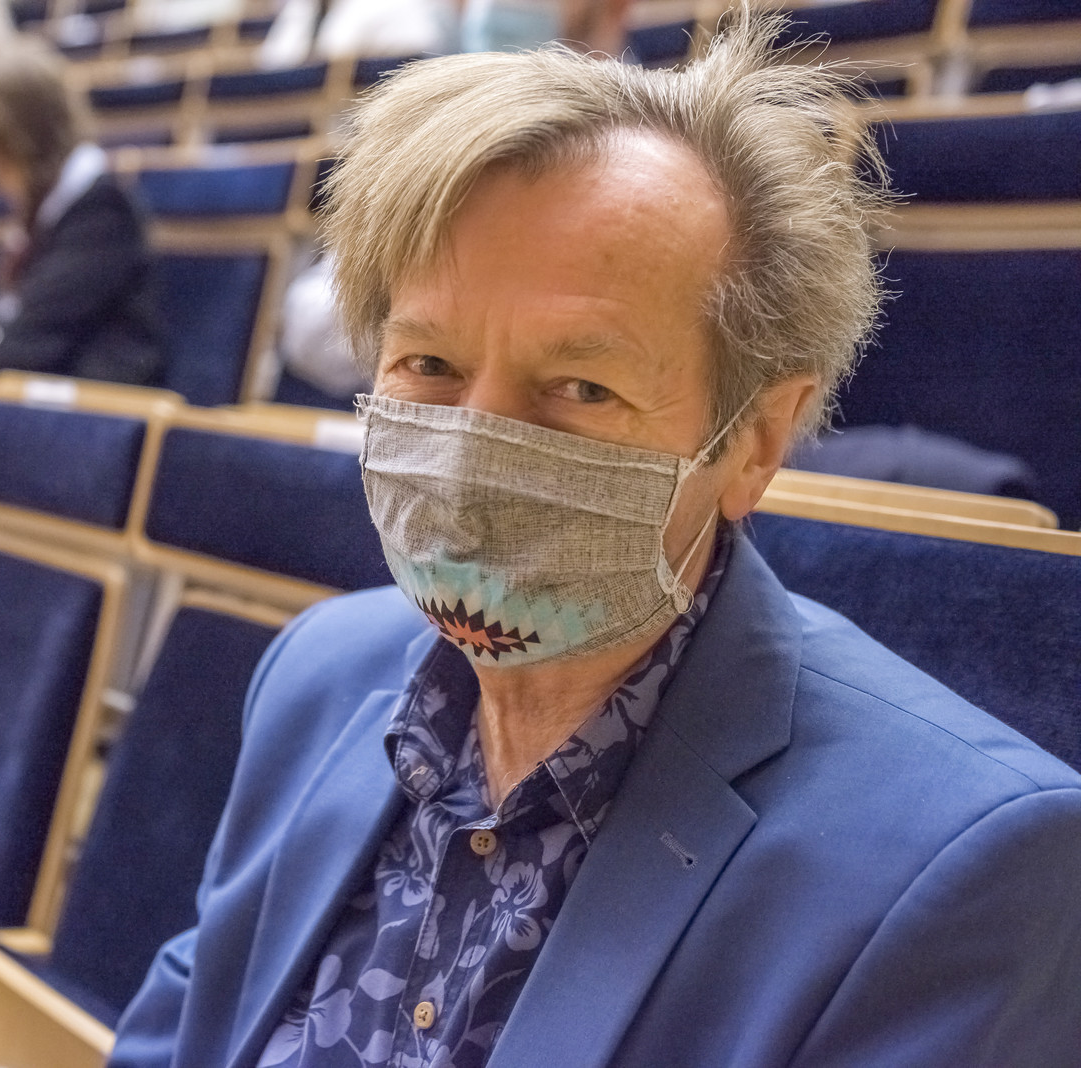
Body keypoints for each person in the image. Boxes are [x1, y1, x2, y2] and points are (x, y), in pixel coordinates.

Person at [110, 14, 1081, 1068]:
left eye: (580, 386)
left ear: (754, 442)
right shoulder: (315, 676)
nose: (472, 449)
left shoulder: (959, 868)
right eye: (429, 365)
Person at [0, 41, 162, 386]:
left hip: (93, 404)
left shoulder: (102, 211)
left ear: (10, 135)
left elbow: (36, 340)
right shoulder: (31, 214)